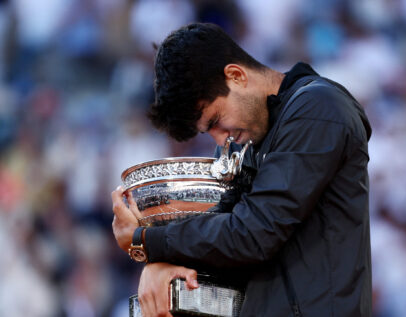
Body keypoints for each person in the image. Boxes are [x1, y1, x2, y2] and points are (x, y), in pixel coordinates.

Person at [112, 22, 372, 317]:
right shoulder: (242, 142)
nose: (221, 139)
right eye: (207, 132)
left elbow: (252, 235)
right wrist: (158, 264)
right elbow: (219, 239)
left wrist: (146, 242)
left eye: (215, 121)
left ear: (235, 76)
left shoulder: (320, 109)